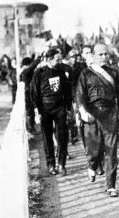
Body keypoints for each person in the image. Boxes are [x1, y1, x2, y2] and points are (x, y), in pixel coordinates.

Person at [77, 43, 119, 198]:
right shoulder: (85, 73)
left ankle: (111, 185)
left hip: (110, 113)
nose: (104, 57)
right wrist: (83, 111)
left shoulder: (115, 73)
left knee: (111, 150)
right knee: (93, 148)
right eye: (100, 54)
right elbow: (80, 94)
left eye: (106, 54)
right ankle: (92, 165)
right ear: (93, 56)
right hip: (92, 114)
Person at [30, 48, 72, 176]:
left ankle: (61, 164)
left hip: (60, 107)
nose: (59, 62)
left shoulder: (61, 70)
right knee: (47, 138)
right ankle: (51, 165)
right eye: (57, 59)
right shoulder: (39, 72)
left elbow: (67, 90)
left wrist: (68, 108)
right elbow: (34, 92)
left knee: (62, 136)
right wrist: (37, 110)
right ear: (49, 59)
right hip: (45, 108)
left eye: (60, 59)